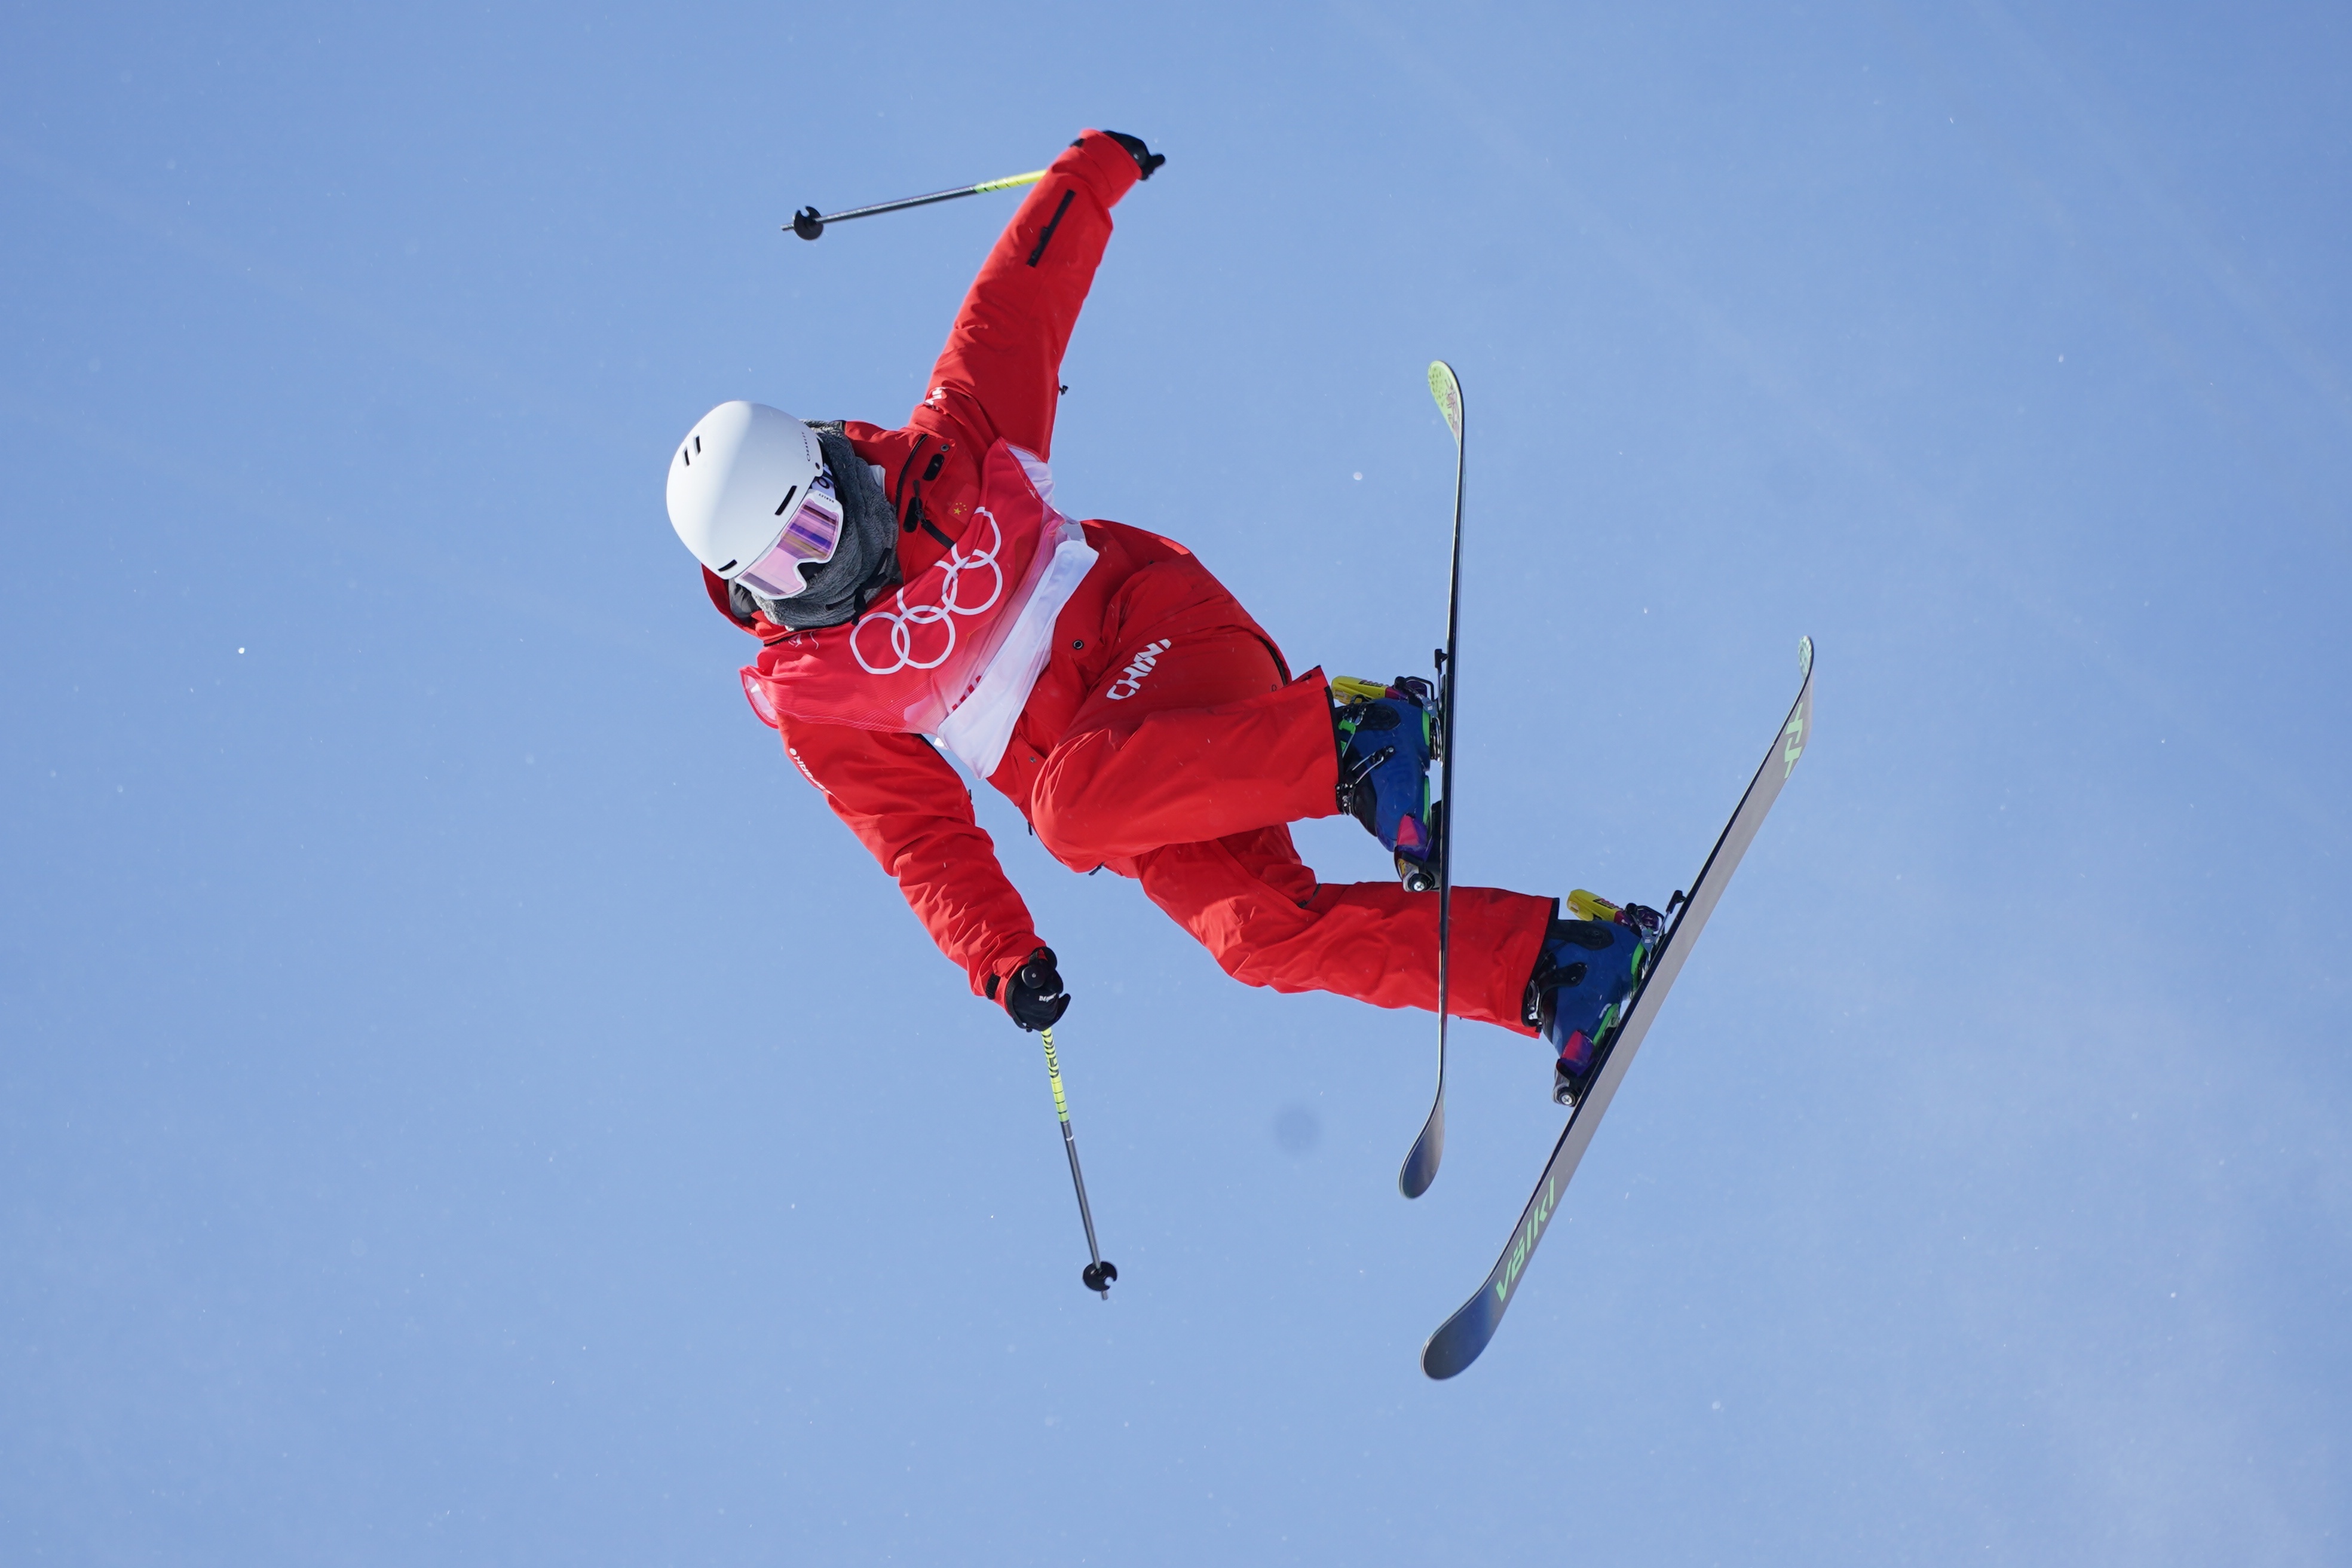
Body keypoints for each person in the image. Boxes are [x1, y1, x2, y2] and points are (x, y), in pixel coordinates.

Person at [664, 130, 1656, 1104]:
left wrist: (1092, 173)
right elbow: (917, 840)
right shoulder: (818, 694)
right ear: (752, 589)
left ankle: (1357, 734)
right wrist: (1001, 956)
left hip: (1162, 641)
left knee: (1069, 811)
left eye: (819, 521)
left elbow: (1018, 303)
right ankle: (1567, 968)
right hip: (1146, 788)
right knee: (1258, 938)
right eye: (787, 566)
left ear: (830, 467)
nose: (824, 561)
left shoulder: (954, 448)